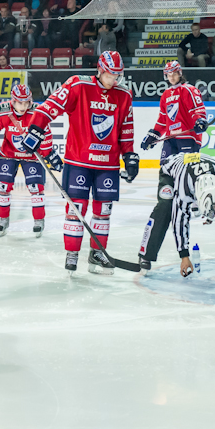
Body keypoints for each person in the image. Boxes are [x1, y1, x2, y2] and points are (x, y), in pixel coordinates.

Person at [20, 51, 138, 274]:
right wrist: (35, 129)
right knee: (76, 209)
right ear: (100, 70)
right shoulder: (77, 85)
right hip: (78, 161)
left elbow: (126, 130)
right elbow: (49, 107)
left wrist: (129, 155)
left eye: (118, 76)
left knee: (103, 211)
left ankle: (97, 254)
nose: (115, 80)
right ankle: (72, 253)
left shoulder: (124, 95)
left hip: (108, 165)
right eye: (111, 75)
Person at [137, 60, 209, 270]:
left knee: (185, 188)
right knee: (165, 198)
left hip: (188, 141)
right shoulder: (166, 95)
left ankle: (194, 198)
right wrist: (153, 135)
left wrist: (200, 121)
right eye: (168, 74)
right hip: (170, 142)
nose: (171, 77)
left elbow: (198, 110)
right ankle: (147, 253)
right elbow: (162, 120)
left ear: (180, 73)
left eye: (174, 73)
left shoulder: (189, 90)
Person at [143, 153, 215, 276]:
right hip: (171, 170)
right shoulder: (184, 190)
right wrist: (184, 256)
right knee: (165, 208)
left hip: (206, 167)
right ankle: (146, 254)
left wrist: (214, 212)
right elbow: (179, 220)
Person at [0, 84, 59, 237]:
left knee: (36, 187)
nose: (23, 106)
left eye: (26, 102)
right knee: (3, 187)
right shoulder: (2, 110)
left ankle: (39, 221)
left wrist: (48, 153)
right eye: (19, 102)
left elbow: (46, 135)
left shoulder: (37, 112)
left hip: (32, 156)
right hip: (8, 153)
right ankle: (3, 219)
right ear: (13, 100)